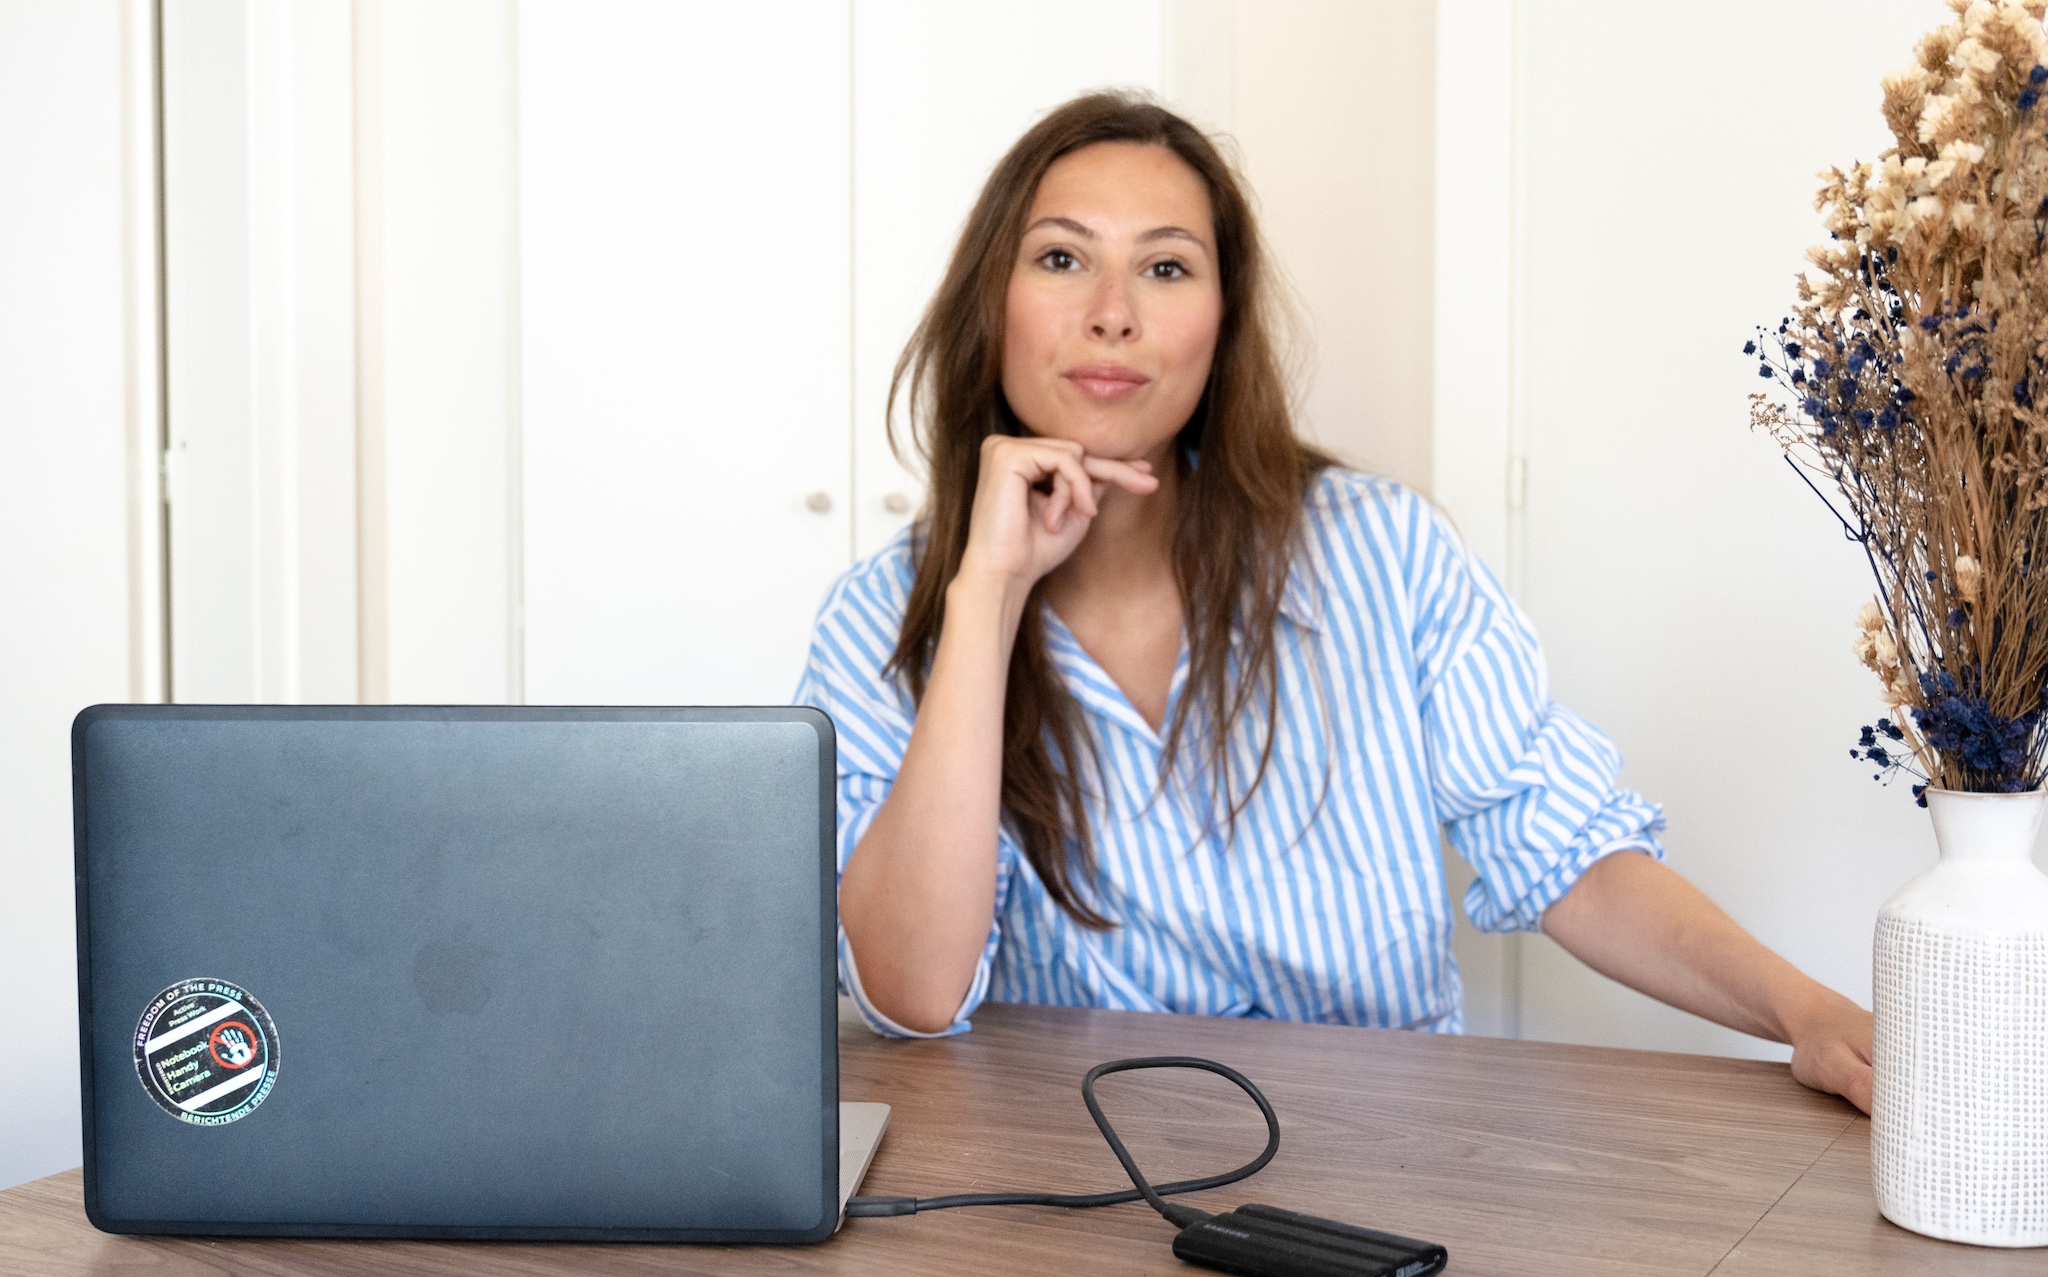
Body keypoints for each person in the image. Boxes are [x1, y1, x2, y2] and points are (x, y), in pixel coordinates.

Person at [795, 92, 1874, 1111]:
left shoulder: (1381, 549)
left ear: (1219, 321)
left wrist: (1802, 1012)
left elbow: (1567, 853)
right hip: (1072, 1187)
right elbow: (912, 993)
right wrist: (984, 592)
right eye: (1062, 258)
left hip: (1380, 1166)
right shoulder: (879, 615)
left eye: (1164, 268)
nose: (1111, 315)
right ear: (992, 300)